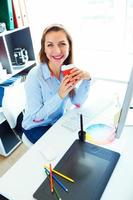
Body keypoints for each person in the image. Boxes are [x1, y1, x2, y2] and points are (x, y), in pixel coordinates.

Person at [22, 24, 91, 144]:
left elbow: (77, 102)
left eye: (62, 44)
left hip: (57, 121)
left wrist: (87, 79)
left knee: (80, 141)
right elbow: (36, 117)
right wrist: (59, 95)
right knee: (62, 150)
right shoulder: (34, 76)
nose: (57, 51)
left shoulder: (67, 70)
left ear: (69, 47)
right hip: (36, 126)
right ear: (44, 49)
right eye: (50, 45)